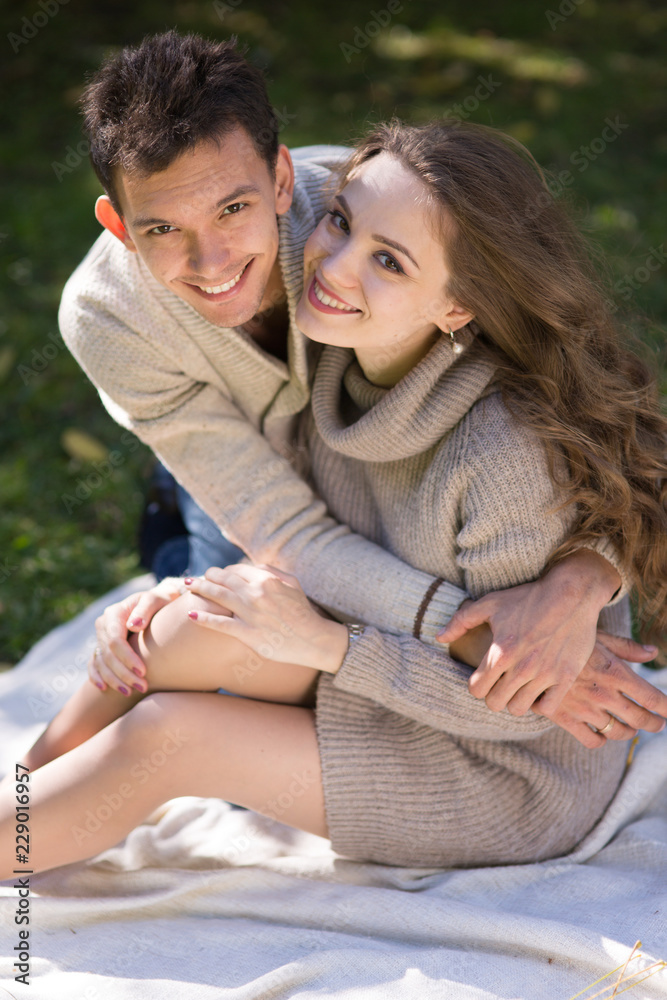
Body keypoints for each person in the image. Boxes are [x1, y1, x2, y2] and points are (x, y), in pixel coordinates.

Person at [2, 118, 666, 876]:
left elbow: (511, 703)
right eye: (342, 224)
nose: (335, 267)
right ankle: (28, 777)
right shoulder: (341, 353)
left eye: (388, 261)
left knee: (166, 738)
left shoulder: (501, 459)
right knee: (186, 623)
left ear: (457, 307)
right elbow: (290, 529)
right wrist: (213, 597)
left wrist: (330, 647)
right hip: (388, 669)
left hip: (503, 767)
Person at [59, 29, 645, 722]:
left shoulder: (371, 213)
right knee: (194, 645)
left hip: (372, 497)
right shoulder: (107, 316)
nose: (211, 261)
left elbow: (594, 403)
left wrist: (582, 581)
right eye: (162, 230)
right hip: (234, 468)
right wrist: (484, 637)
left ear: (280, 180)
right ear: (118, 227)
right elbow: (287, 531)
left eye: (233, 209)